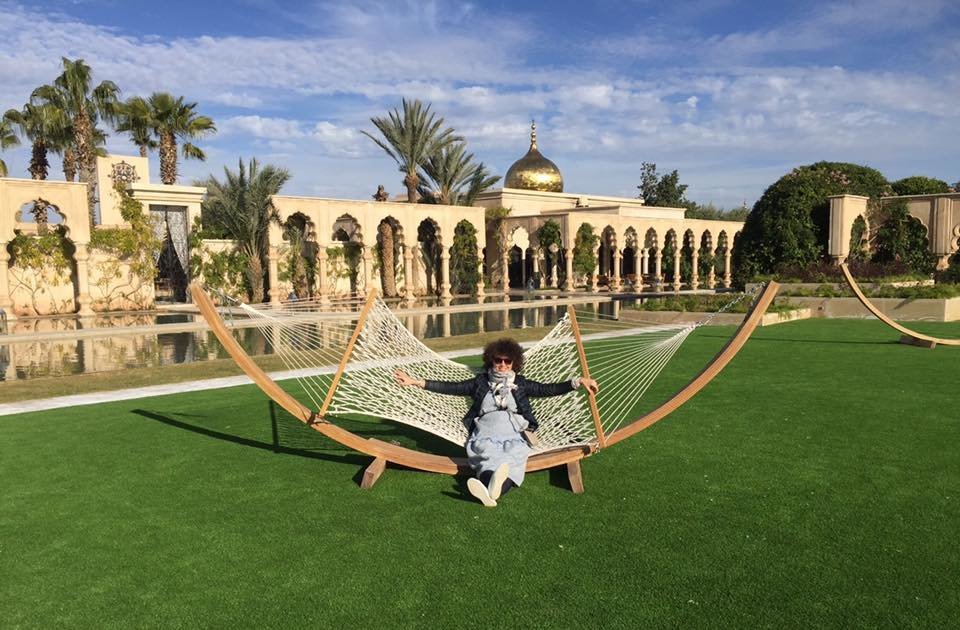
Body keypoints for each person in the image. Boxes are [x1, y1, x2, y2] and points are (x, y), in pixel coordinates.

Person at [394, 338, 599, 507]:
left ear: (514, 363)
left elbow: (548, 389)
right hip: (487, 428)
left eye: (507, 361)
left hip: (515, 430)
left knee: (514, 455)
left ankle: (490, 490)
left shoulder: (521, 383)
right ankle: (494, 489)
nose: (502, 365)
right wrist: (416, 382)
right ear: (491, 361)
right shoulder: (480, 382)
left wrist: (578, 382)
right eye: (498, 360)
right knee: (486, 453)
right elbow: (451, 387)